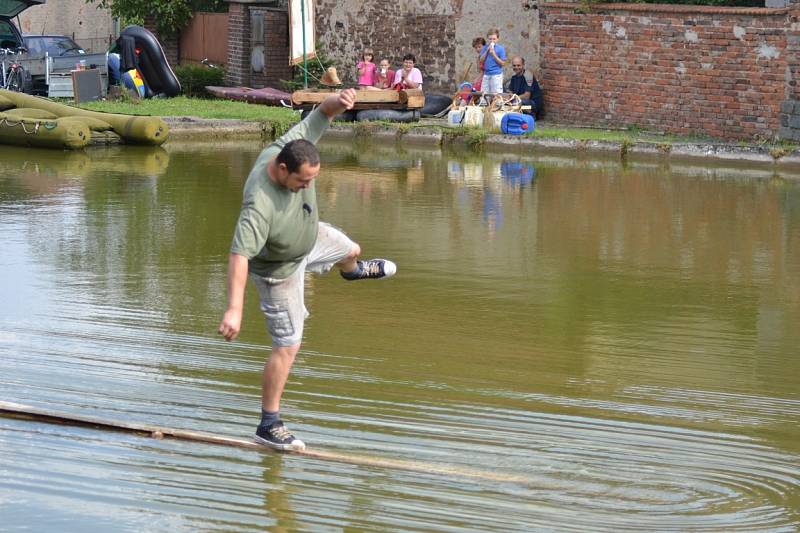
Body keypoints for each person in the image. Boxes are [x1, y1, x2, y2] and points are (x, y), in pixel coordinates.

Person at [218, 88, 397, 451]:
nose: (308, 186)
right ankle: (268, 424)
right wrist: (235, 309)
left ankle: (351, 270)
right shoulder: (260, 204)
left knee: (352, 249)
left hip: (309, 238)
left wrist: (340, 100)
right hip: (279, 270)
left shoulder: (291, 145)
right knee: (288, 345)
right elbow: (239, 255)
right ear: (282, 170)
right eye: (303, 182)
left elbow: (322, 114)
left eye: (312, 180)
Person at [479, 28, 507, 96]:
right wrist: (487, 51)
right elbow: (481, 60)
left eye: (494, 39)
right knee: (484, 95)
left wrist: (493, 54)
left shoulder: (501, 49)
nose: (492, 41)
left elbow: (503, 63)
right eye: (490, 39)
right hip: (486, 74)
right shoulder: (484, 48)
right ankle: (485, 105)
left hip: (496, 75)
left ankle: (497, 105)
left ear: (497, 39)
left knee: (496, 95)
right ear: (488, 39)